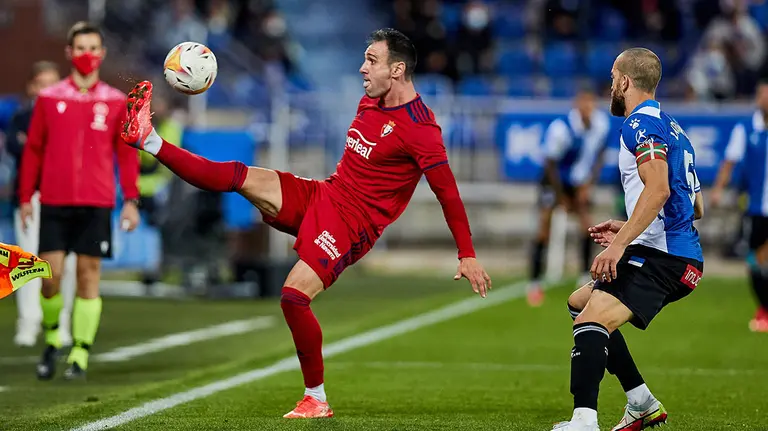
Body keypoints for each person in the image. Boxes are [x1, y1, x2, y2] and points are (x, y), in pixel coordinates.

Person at [121, 28, 490, 418]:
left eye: (372, 61)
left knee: (293, 297)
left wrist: (466, 253)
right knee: (240, 176)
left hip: (352, 224)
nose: (362, 68)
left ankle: (316, 398)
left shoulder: (421, 129)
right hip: (326, 195)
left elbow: (448, 193)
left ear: (397, 70)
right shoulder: (370, 100)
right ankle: (148, 139)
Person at [555, 48, 704, 431]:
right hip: (676, 252)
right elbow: (695, 205)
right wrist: (628, 226)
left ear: (624, 81)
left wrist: (620, 243)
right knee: (580, 304)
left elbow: (659, 190)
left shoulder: (638, 124)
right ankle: (641, 402)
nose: (610, 87)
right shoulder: (674, 128)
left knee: (591, 320)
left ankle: (584, 420)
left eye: (612, 78)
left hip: (665, 257)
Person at [18, 22, 140, 380]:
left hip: (97, 201)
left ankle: (80, 354)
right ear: (69, 53)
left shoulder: (116, 101)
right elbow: (33, 150)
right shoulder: (49, 98)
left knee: (89, 276)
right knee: (50, 276)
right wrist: (26, 197)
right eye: (81, 48)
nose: (88, 55)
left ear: (102, 53)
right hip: (54, 200)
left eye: (93, 48)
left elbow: (126, 155)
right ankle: (53, 338)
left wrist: (131, 200)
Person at [5, 61, 78, 348]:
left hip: (65, 197)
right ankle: (28, 322)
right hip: (31, 197)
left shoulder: (72, 115)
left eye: (52, 83)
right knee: (28, 263)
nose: (47, 89)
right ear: (31, 87)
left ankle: (62, 322)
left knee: (65, 264)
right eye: (41, 84)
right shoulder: (22, 117)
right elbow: (16, 147)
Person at [528, 88, 610, 306]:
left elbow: (600, 154)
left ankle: (585, 276)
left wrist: (588, 184)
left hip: (578, 182)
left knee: (588, 226)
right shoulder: (561, 129)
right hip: (554, 181)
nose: (587, 108)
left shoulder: (601, 125)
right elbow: (550, 164)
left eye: (591, 103)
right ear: (576, 105)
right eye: (583, 103)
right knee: (544, 228)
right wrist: (560, 197)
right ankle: (534, 282)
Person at [710, 76, 768, 332]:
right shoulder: (746, 129)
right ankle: (764, 308)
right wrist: (718, 190)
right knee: (754, 261)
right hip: (757, 209)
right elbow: (729, 161)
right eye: (762, 95)